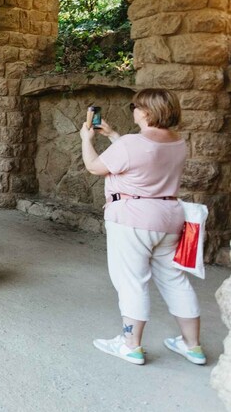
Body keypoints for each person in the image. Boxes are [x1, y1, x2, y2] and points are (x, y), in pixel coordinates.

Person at [80, 89, 205, 366]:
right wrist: (114, 136)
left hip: (132, 219)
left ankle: (130, 345)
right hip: (169, 217)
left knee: (131, 281)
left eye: (134, 106)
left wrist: (86, 140)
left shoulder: (131, 144)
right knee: (174, 279)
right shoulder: (177, 143)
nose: (133, 110)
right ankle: (192, 345)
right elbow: (146, 158)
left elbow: (94, 166)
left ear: (146, 112)